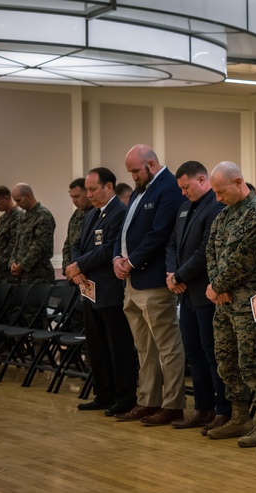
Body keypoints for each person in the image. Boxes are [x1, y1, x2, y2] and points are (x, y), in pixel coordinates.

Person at [112, 144, 187, 426]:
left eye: (135, 170)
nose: (132, 176)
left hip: (153, 279)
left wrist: (131, 262)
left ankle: (173, 404)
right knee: (144, 348)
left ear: (151, 165)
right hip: (131, 280)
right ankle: (148, 400)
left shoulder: (168, 187)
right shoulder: (141, 189)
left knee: (166, 346)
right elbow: (125, 230)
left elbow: (159, 234)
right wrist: (117, 257)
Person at [205, 162, 256, 444]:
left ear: (238, 182)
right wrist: (215, 287)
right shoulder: (222, 217)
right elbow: (211, 252)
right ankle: (239, 417)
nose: (218, 198)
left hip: (250, 301)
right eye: (215, 193)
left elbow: (245, 259)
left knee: (254, 360)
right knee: (226, 361)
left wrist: (218, 285)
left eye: (221, 192)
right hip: (224, 302)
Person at [65, 167, 139, 415]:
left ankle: (125, 397)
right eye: (87, 189)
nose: (89, 194)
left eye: (93, 189)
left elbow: (109, 249)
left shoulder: (120, 212)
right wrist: (77, 268)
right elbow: (77, 245)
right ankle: (103, 394)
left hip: (109, 289)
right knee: (96, 345)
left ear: (109, 187)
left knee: (117, 346)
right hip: (89, 288)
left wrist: (79, 265)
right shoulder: (92, 214)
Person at [166, 161, 228, 431]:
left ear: (202, 180)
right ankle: (202, 408)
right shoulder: (183, 208)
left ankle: (222, 409)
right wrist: (172, 274)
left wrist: (180, 276)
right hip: (185, 293)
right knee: (193, 353)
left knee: (212, 353)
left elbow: (205, 251)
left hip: (205, 292)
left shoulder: (215, 206)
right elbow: (171, 243)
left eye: (186, 186)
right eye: (180, 188)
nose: (182, 193)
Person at [9, 183, 56, 284]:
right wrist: (12, 262)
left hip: (39, 276)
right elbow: (16, 244)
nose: (17, 204)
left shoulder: (43, 215)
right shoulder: (23, 217)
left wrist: (22, 265)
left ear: (28, 196)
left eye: (18, 200)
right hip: (22, 277)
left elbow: (39, 247)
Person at [62, 177, 91, 276]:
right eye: (72, 197)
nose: (74, 201)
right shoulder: (76, 214)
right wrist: (68, 268)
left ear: (88, 192)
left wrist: (78, 268)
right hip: (73, 273)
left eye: (77, 196)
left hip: (86, 271)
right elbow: (68, 244)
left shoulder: (96, 213)